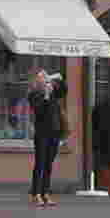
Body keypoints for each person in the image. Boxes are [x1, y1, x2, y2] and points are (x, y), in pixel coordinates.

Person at [25, 72, 65, 206]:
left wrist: (59, 79)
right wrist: (46, 96)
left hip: (54, 132)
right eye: (44, 80)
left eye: (47, 80)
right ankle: (36, 194)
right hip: (42, 133)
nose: (47, 83)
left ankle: (45, 193)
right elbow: (38, 110)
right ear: (38, 82)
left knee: (49, 164)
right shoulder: (34, 95)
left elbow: (64, 90)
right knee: (40, 164)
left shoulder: (53, 94)